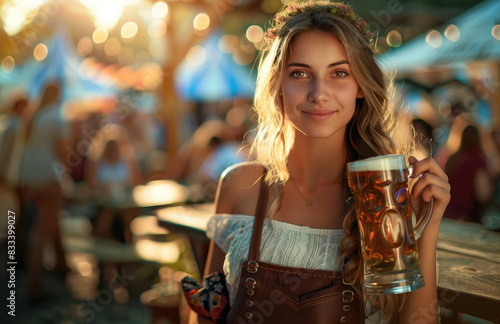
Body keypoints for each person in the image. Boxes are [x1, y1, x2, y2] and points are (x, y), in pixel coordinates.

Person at [181, 1, 450, 323]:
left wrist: (427, 230)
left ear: (360, 86)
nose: (319, 93)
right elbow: (208, 312)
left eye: (339, 73)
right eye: (300, 73)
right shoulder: (239, 184)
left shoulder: (385, 197)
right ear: (278, 87)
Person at [17, 81, 71, 301]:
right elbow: (62, 153)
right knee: (42, 230)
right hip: (48, 178)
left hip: (31, 178)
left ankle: (62, 266)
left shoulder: (33, 117)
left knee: (50, 222)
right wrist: (64, 179)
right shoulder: (56, 117)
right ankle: (35, 285)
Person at [444, 125, 492, 223]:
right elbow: (483, 195)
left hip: (447, 212)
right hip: (466, 217)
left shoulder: (453, 159)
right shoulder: (478, 160)